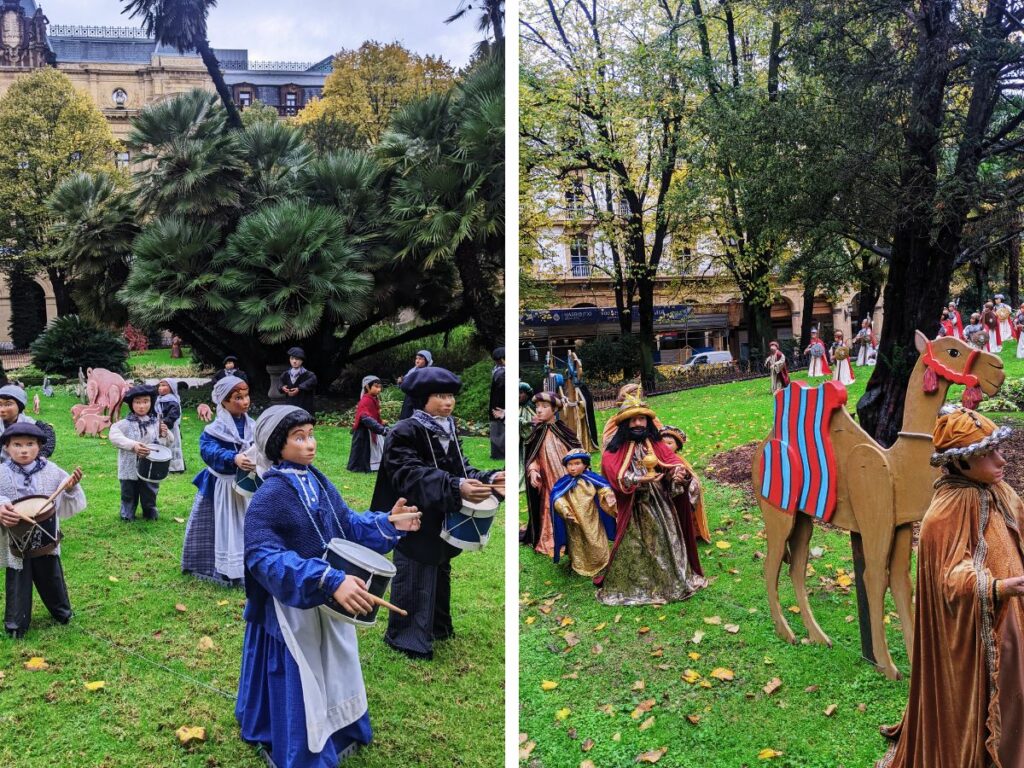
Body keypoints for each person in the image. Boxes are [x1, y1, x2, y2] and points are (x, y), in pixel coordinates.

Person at [236, 405, 421, 768]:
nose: (310, 445)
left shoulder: (317, 479)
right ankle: (301, 747)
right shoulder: (270, 494)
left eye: (311, 435)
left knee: (338, 666)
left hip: (333, 594)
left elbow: (346, 524)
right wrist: (325, 578)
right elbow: (261, 555)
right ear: (277, 444)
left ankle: (343, 731)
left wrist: (387, 522)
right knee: (301, 673)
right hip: (293, 605)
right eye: (299, 438)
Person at [877, 406, 1024, 768]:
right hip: (981, 627)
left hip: (1015, 612)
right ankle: (991, 753)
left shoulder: (999, 490)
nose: (1001, 459)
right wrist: (998, 586)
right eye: (988, 454)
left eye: (998, 450)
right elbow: (948, 576)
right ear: (960, 462)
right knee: (1005, 684)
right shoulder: (944, 512)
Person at [371, 366, 503, 661]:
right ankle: (406, 637)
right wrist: (456, 486)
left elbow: (459, 467)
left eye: (451, 396)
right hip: (412, 514)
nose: (449, 402)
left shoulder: (448, 427)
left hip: (439, 512)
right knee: (417, 568)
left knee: (439, 564)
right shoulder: (404, 430)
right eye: (440, 396)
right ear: (421, 398)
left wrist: (489, 479)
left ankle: (437, 625)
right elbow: (408, 474)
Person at [597, 388, 707, 605]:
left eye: (642, 419)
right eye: (633, 420)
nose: (638, 424)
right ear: (624, 424)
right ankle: (638, 583)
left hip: (660, 502)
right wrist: (637, 480)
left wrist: (677, 473)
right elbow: (612, 470)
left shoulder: (654, 443)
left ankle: (670, 581)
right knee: (639, 544)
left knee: (664, 538)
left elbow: (670, 462)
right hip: (635, 506)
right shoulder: (614, 448)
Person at [0, 423, 85, 639]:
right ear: (7, 448)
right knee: (18, 577)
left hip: (45, 539)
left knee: (51, 575)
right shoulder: (1, 472)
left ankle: (62, 612)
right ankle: (16, 624)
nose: (24, 450)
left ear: (39, 446)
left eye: (30, 444)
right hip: (15, 539)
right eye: (17, 445)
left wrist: (72, 487)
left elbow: (67, 498)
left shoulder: (52, 470)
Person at [182, 376, 255, 586]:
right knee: (223, 525)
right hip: (222, 486)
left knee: (248, 524)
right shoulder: (214, 431)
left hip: (248, 485)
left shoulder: (253, 426)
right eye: (238, 397)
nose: (245, 401)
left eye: (246, 395)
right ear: (223, 402)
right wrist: (233, 458)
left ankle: (249, 565)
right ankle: (222, 567)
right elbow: (209, 451)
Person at [522, 392, 581, 557]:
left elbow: (577, 451)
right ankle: (552, 538)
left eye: (544, 407)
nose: (539, 410)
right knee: (550, 506)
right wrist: (533, 471)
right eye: (537, 406)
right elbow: (532, 457)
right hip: (548, 485)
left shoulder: (564, 431)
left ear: (555, 409)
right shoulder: (536, 433)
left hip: (569, 482)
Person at [109, 385, 172, 522]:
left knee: (150, 490)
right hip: (129, 466)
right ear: (132, 404)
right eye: (137, 402)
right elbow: (114, 436)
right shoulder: (124, 424)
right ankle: (127, 513)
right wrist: (133, 446)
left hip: (150, 467)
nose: (142, 406)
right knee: (128, 491)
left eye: (145, 401)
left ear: (151, 402)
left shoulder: (156, 423)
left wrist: (165, 433)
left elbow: (168, 442)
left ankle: (150, 511)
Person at [550, 449, 616, 578]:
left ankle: (601, 562)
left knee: (594, 538)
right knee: (578, 541)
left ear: (585, 464)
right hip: (574, 520)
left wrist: (608, 495)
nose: (573, 468)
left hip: (592, 517)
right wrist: (565, 510)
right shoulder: (563, 483)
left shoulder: (592, 479)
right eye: (570, 464)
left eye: (577, 463)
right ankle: (580, 565)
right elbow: (557, 498)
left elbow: (603, 487)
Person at [659, 425, 711, 544]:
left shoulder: (678, 460)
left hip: (680, 493)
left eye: (669, 443)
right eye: (662, 443)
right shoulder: (658, 459)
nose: (665, 446)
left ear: (677, 446)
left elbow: (691, 479)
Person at [0, 384, 55, 460]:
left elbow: (48, 433)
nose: (2, 409)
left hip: (26, 462)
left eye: (8, 404)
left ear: (19, 406)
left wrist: (41, 455)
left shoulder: (28, 423)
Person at [347, 376, 388, 473]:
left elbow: (374, 414)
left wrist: (381, 422)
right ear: (367, 387)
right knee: (365, 450)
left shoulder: (373, 399)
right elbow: (365, 417)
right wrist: (380, 429)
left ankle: (376, 465)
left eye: (380, 387)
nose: (379, 389)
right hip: (364, 432)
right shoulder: (365, 401)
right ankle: (364, 466)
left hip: (373, 429)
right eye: (376, 386)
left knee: (377, 448)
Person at [156, 378, 185, 473]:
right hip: (160, 426)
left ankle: (175, 467)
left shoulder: (172, 401)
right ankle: (162, 464)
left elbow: (174, 414)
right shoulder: (159, 400)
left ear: (171, 388)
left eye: (164, 385)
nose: (160, 388)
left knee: (173, 445)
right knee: (161, 445)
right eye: (160, 385)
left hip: (170, 427)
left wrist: (165, 422)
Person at [279, 347, 318, 419]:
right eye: (292, 358)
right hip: (290, 405)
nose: (294, 361)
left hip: (304, 406)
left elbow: (312, 382)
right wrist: (282, 388)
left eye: (297, 359)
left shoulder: (309, 375)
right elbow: (280, 383)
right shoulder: (286, 374)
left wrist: (299, 388)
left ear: (302, 361)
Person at [398, 350, 433, 420]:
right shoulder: (412, 370)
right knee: (406, 417)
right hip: (409, 400)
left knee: (418, 418)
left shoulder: (428, 373)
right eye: (416, 358)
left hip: (420, 400)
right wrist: (401, 381)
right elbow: (404, 384)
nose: (417, 361)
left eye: (420, 359)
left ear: (426, 360)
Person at [489, 347, 505, 460]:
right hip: (500, 406)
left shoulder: (497, 371)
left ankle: (498, 453)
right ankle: (499, 454)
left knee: (498, 430)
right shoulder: (502, 373)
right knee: (499, 430)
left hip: (497, 406)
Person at [518, 382, 535, 476]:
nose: (517, 395)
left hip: (529, 441)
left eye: (521, 392)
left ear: (527, 394)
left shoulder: (532, 407)